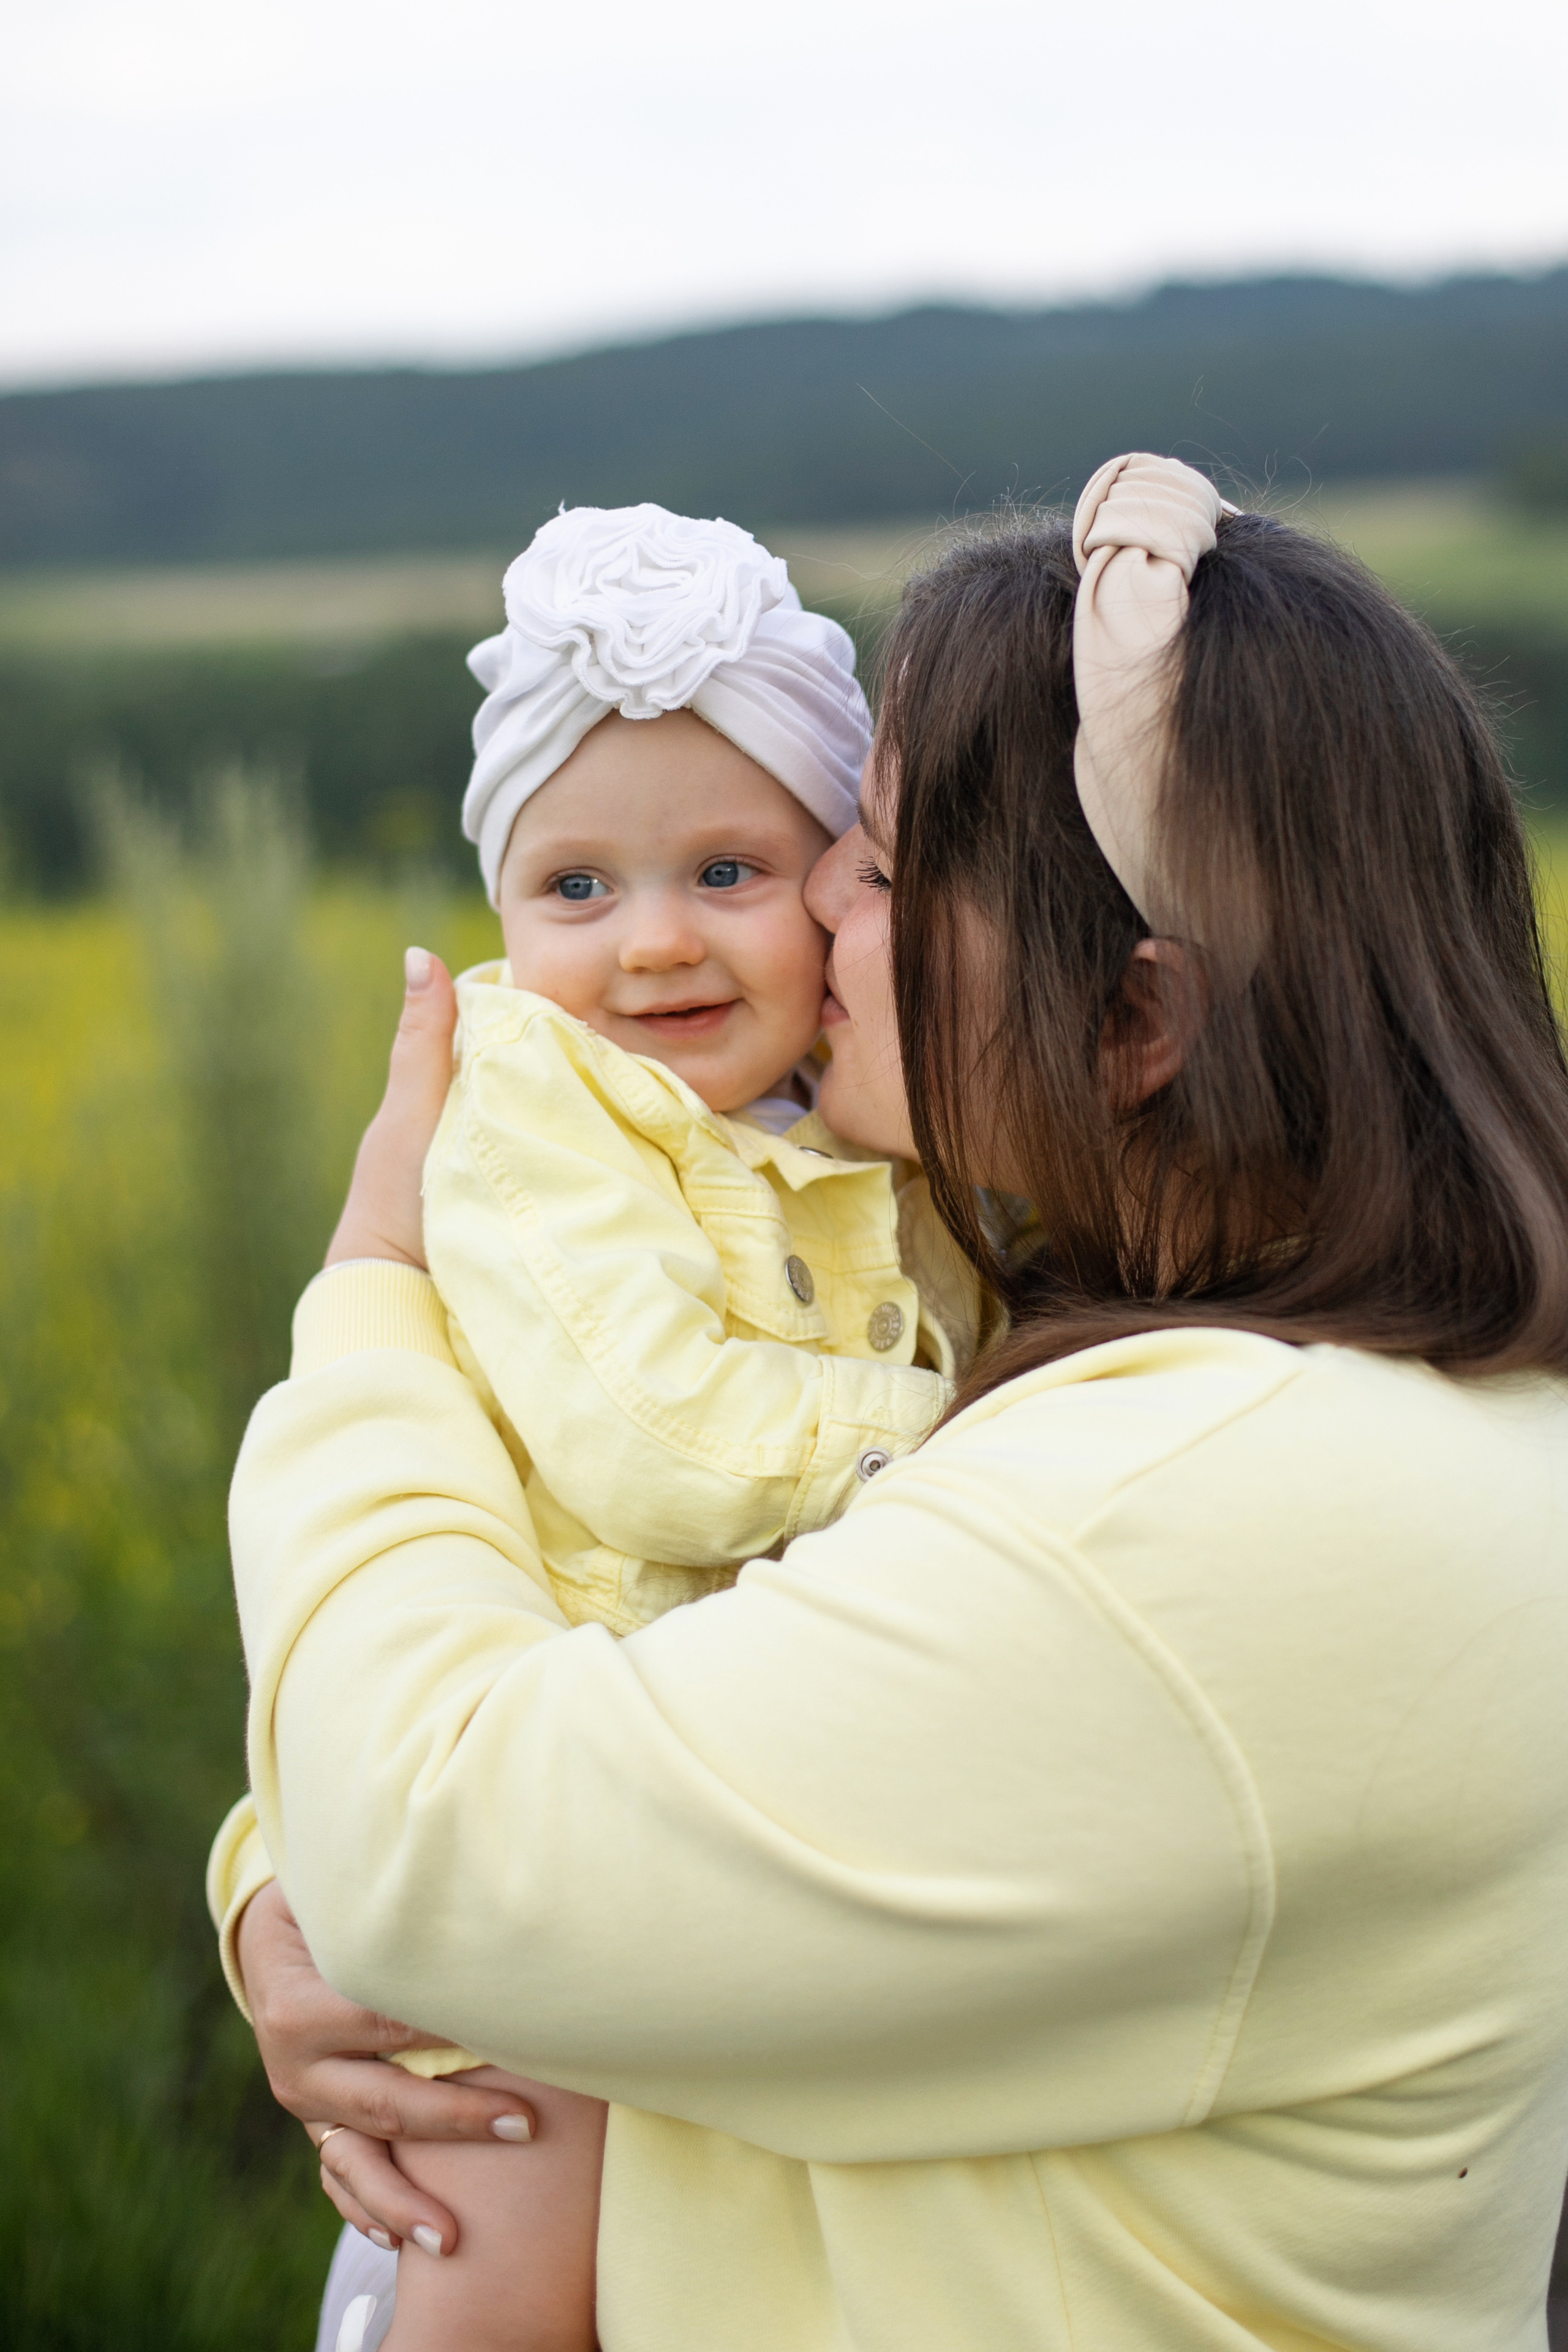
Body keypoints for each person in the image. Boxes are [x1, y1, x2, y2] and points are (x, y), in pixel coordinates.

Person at [218, 454, 1568, 2352]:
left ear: (1141, 1020)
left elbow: (441, 1854)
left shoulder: (1201, 1510)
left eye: (884, 862)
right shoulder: (1346, 1408)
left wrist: (374, 1297)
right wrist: (287, 1881)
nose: (821, 914)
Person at [217, 501, 974, 2352]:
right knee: (502, 2262)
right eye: (576, 890)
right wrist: (954, 1444)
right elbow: (653, 1432)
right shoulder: (532, 1104)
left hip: (712, 1853)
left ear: (840, 883)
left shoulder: (867, 1129)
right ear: (498, 913)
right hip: (517, 1846)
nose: (650, 948)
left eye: (728, 873)